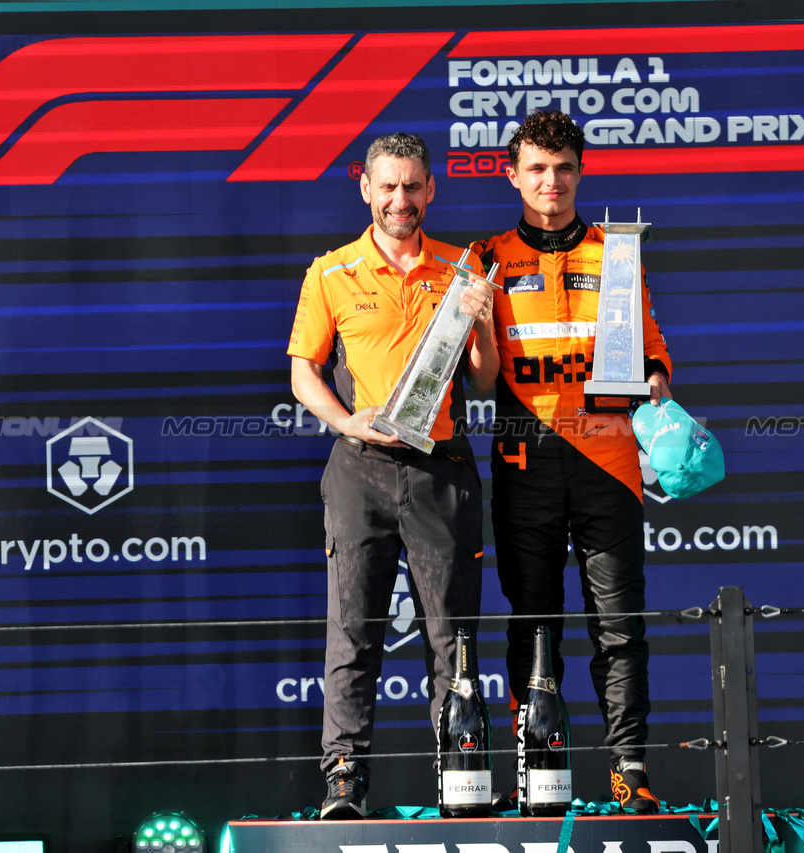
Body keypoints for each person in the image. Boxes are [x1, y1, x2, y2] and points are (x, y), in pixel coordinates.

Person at [288, 132, 498, 819]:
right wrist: (347, 423)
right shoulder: (331, 271)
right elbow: (303, 373)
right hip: (361, 469)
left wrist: (485, 325)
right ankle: (344, 785)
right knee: (353, 633)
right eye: (388, 186)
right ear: (366, 189)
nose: (400, 199)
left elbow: (484, 378)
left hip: (442, 470)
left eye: (412, 186)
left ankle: (461, 781)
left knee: (453, 638)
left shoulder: (464, 267)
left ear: (430, 189)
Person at [471, 110, 672, 812]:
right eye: (536, 169)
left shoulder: (616, 253)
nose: (550, 182)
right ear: (513, 174)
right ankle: (541, 767)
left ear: (581, 171)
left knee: (619, 624)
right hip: (524, 458)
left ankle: (629, 767)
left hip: (609, 461)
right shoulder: (485, 256)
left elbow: (651, 359)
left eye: (562, 169)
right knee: (532, 618)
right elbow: (475, 374)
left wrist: (658, 398)